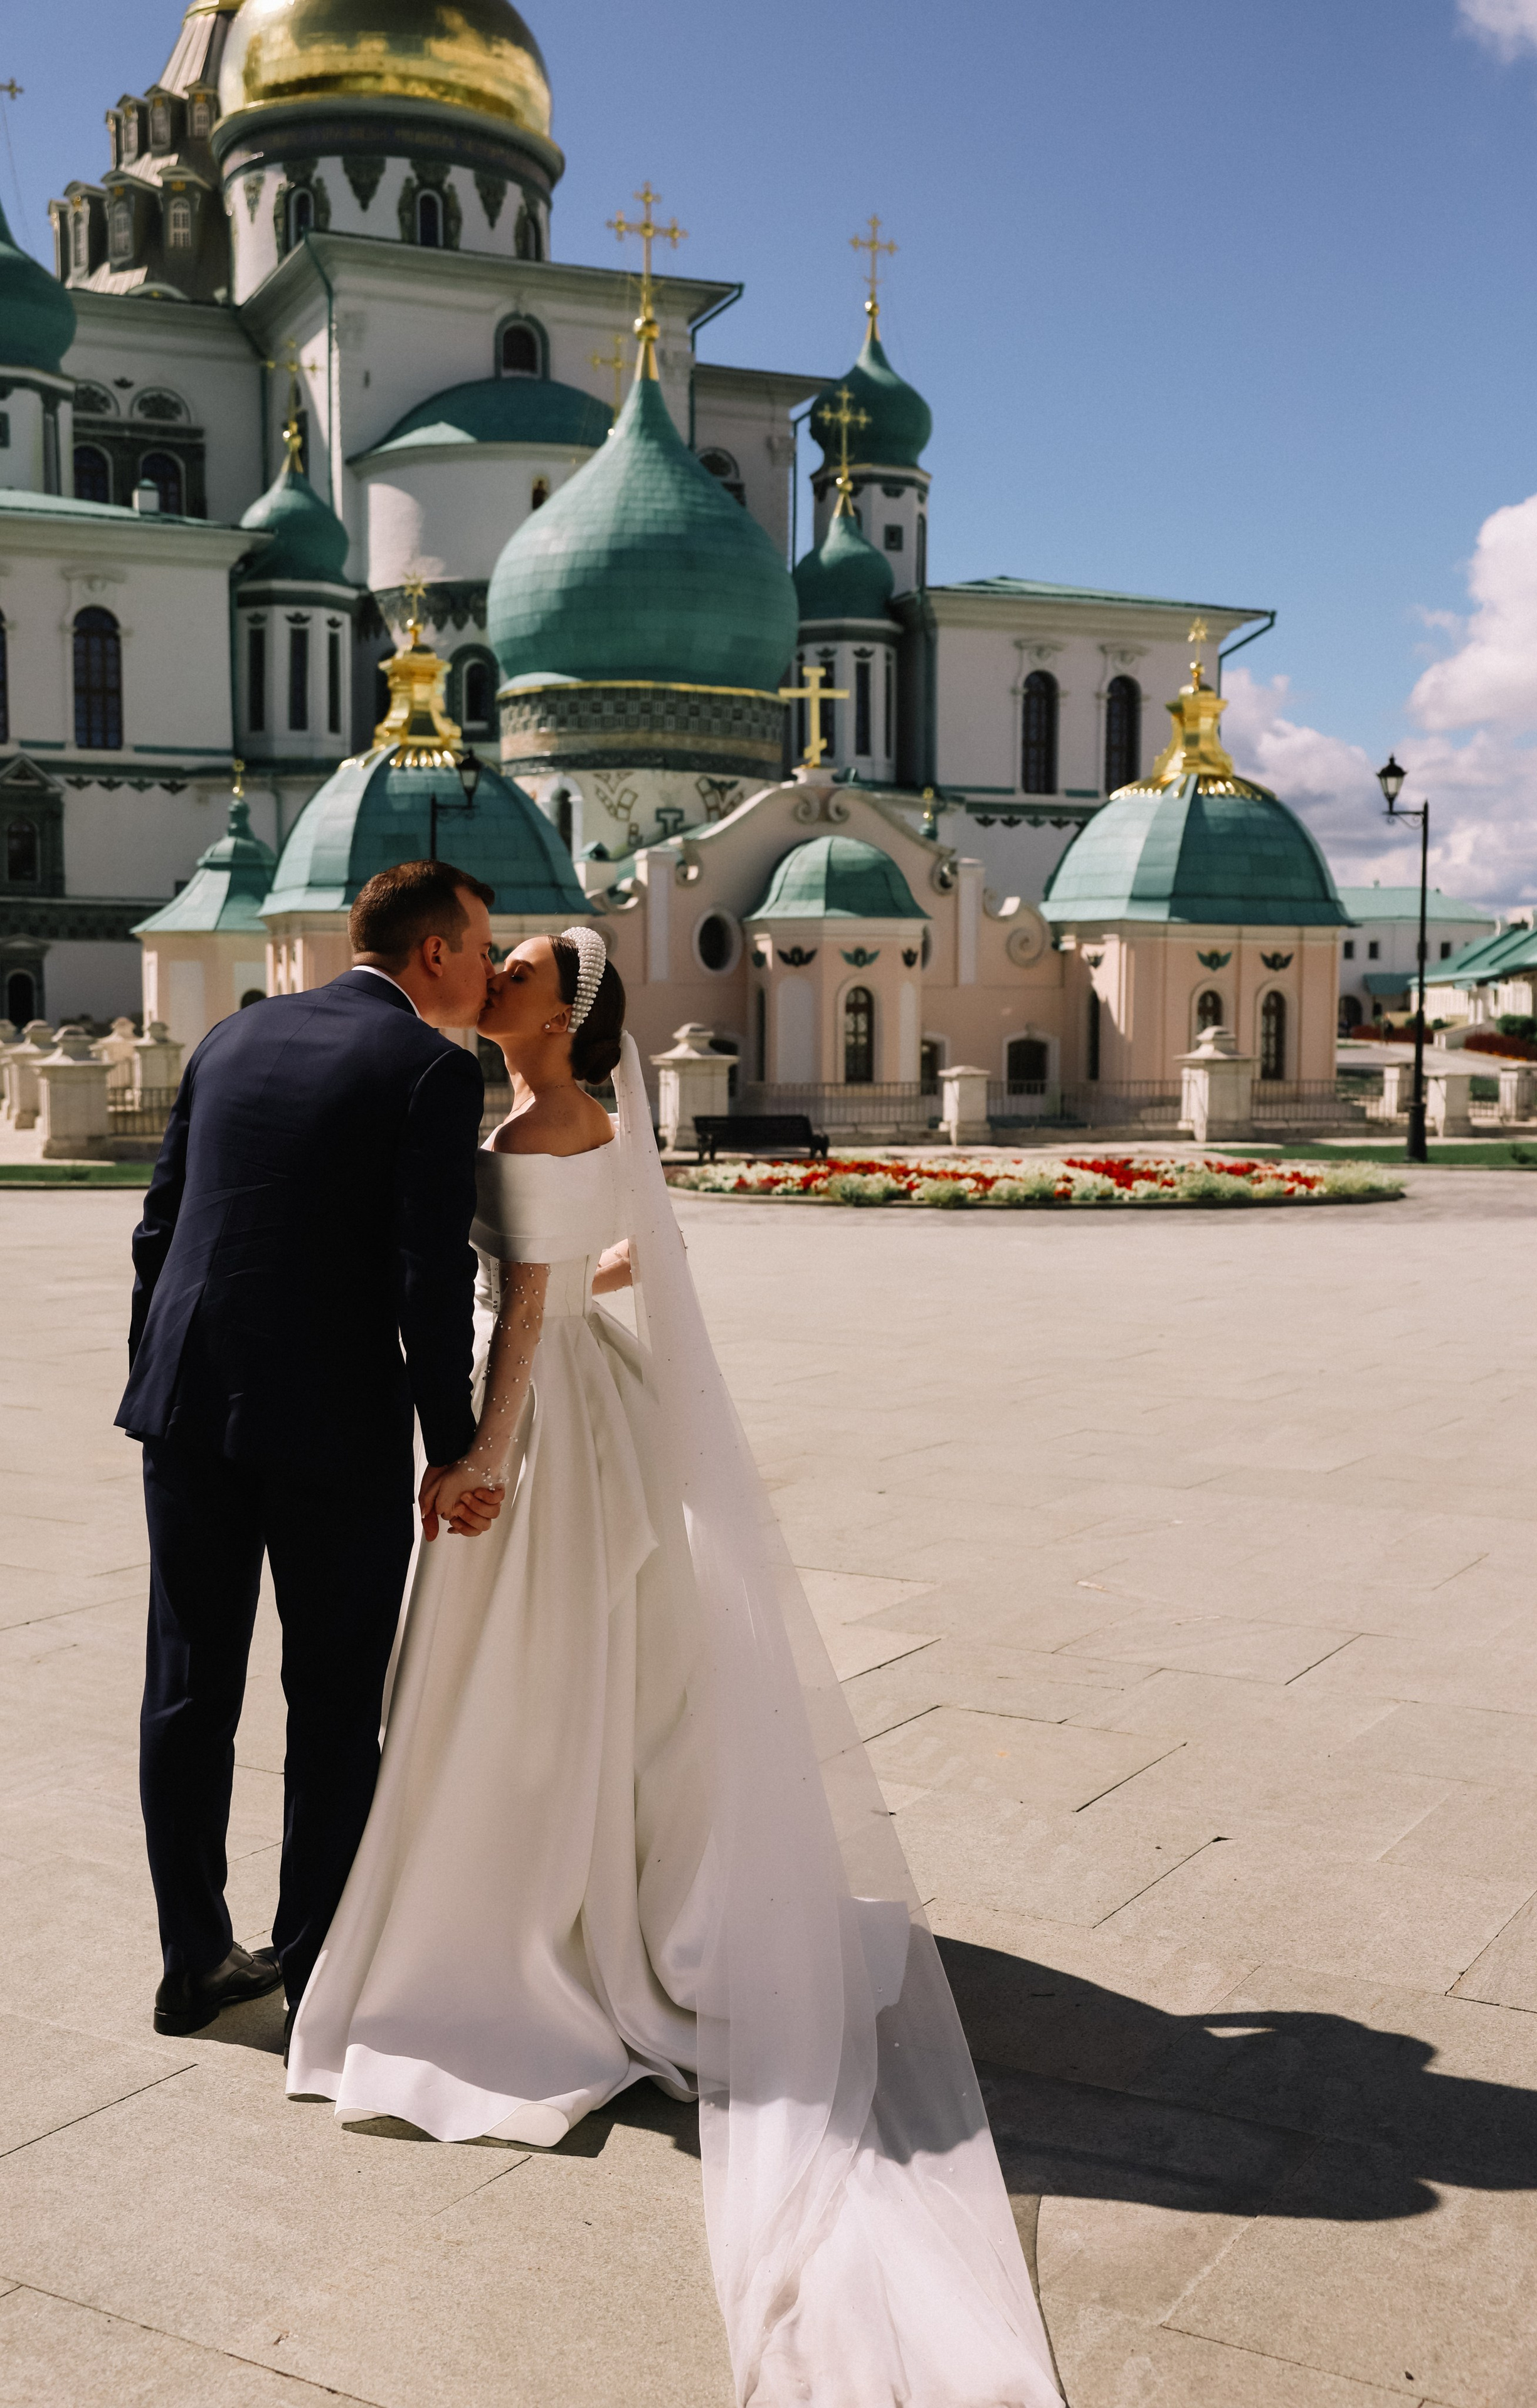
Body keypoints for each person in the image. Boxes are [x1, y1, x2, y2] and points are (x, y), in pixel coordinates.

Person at [290, 926, 1062, 2407]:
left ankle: (515, 1927)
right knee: (574, 1662)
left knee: (525, 1662)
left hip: (545, 1420)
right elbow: (604, 1250)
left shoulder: (537, 1113)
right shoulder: (555, 1117)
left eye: (516, 973)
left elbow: (525, 1305)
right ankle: (571, 1890)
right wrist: (573, 1276)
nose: (494, 982)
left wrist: (479, 1461)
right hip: (588, 1396)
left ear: (563, 1013)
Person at [118, 861, 506, 2043]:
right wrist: (458, 1446)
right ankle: (312, 1974)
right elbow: (428, 1278)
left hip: (187, 1408)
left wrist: (160, 1369)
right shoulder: (433, 1069)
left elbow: (159, 1224)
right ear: (433, 952)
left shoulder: (233, 1041)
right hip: (332, 1430)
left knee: (187, 1691)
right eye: (482, 944)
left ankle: (192, 1965)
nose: (489, 966)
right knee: (332, 1701)